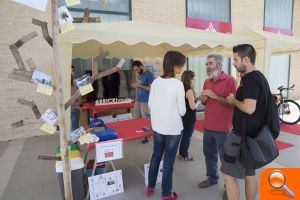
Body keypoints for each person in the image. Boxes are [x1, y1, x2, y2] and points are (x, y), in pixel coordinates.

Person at [222, 44, 265, 200]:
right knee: (249, 173)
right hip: (251, 136)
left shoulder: (251, 79)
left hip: (241, 137)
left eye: (235, 59)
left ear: (246, 60)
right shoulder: (258, 77)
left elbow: (248, 108)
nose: (233, 63)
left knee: (228, 174)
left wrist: (233, 100)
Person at [146, 51, 186, 200]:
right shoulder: (178, 84)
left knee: (156, 155)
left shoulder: (156, 81)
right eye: (181, 65)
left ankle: (150, 187)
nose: (181, 69)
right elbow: (182, 111)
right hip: (173, 129)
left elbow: (150, 105)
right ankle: (166, 194)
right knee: (169, 161)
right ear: (175, 65)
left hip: (157, 127)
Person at [198, 54, 237, 199]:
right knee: (209, 154)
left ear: (219, 65)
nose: (207, 66)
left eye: (210, 63)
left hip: (224, 128)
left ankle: (229, 186)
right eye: (207, 64)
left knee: (225, 159)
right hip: (208, 126)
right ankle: (213, 178)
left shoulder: (230, 80)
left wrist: (215, 96)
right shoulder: (207, 81)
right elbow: (205, 103)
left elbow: (233, 104)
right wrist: (203, 100)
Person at [178, 71, 201, 161]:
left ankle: (181, 153)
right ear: (189, 79)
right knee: (187, 137)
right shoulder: (189, 91)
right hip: (189, 117)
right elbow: (193, 106)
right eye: (193, 78)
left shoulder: (181, 89)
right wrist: (199, 101)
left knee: (181, 136)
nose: (194, 80)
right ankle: (184, 155)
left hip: (182, 116)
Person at [131, 60, 155, 144]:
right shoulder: (140, 75)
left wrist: (139, 85)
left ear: (141, 66)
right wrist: (136, 87)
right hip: (139, 100)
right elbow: (139, 87)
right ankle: (139, 134)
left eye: (137, 69)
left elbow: (152, 89)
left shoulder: (150, 75)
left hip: (146, 101)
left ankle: (147, 136)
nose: (136, 72)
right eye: (135, 70)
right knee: (136, 118)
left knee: (146, 119)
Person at [71, 66, 81, 131]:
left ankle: (76, 141)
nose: (75, 72)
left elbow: (78, 95)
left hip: (74, 108)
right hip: (72, 108)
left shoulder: (75, 83)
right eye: (73, 70)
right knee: (75, 128)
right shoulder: (74, 83)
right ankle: (75, 141)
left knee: (75, 127)